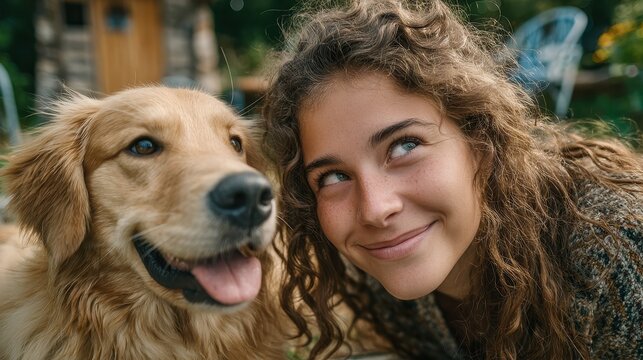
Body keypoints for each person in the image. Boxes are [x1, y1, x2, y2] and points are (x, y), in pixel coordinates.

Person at [260, 0, 643, 359]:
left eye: (404, 146)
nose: (376, 210)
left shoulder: (614, 254)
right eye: (333, 176)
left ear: (480, 142)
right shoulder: (384, 288)